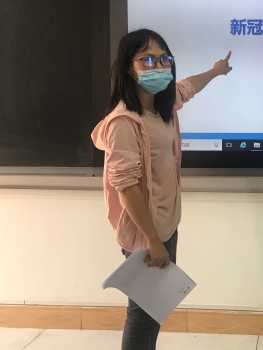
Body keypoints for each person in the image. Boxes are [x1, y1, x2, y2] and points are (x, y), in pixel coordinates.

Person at [91, 28, 232, 350]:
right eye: (147, 60)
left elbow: (187, 87)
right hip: (147, 233)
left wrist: (215, 71)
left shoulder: (161, 107)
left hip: (166, 224)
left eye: (164, 59)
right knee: (143, 317)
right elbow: (126, 187)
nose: (158, 66)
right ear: (129, 68)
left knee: (153, 311)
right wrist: (153, 241)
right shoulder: (124, 121)